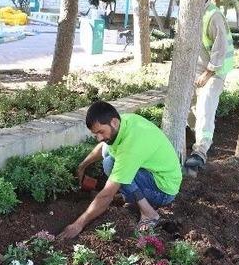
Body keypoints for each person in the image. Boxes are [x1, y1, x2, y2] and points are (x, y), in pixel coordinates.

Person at [58, 101, 182, 240]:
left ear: (114, 122)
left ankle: (149, 213)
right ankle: (129, 196)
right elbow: (103, 148)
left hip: (163, 190)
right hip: (156, 174)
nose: (98, 138)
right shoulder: (125, 123)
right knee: (109, 159)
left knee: (112, 166)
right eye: (95, 134)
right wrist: (82, 166)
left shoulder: (131, 148)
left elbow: (106, 196)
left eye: (100, 132)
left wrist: (78, 224)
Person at [184, 0, 234, 175]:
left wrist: (208, 73)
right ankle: (198, 140)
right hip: (197, 70)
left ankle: (200, 152)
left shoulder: (213, 15)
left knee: (205, 108)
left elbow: (220, 49)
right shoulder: (192, 12)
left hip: (214, 71)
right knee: (190, 108)